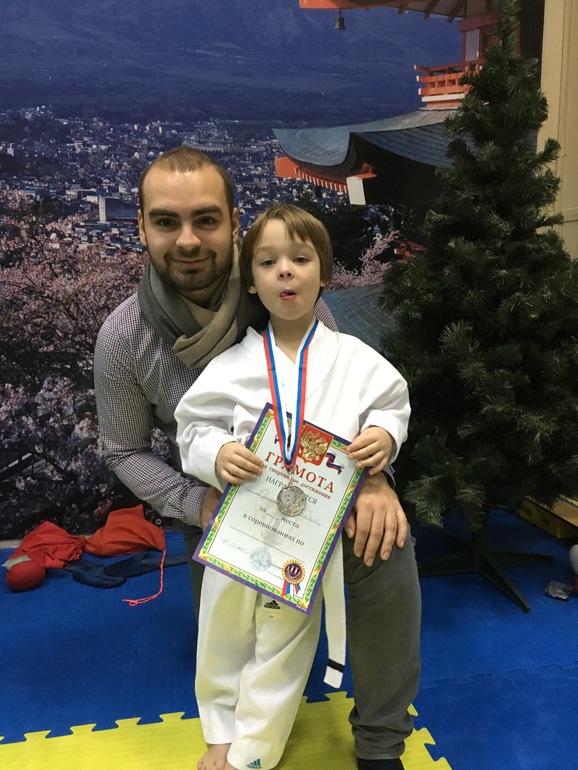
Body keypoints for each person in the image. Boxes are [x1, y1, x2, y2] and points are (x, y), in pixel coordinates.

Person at [93, 146, 421, 770]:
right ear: (141, 227)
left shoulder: (290, 297)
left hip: (321, 492)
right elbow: (125, 451)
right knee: (234, 622)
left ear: (233, 224)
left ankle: (381, 740)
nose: (188, 240)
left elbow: (356, 398)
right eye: (166, 221)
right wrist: (200, 500)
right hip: (225, 501)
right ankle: (237, 735)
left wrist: (376, 478)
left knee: (386, 542)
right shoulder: (124, 337)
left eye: (206, 219)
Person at [175, 203, 412, 770]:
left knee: (283, 641)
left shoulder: (355, 359)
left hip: (312, 532)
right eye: (268, 262)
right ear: (250, 282)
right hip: (245, 520)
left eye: (300, 259)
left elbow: (392, 404)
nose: (285, 270)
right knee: (223, 629)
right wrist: (217, 454)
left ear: (324, 273)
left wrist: (384, 436)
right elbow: (192, 428)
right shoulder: (232, 365)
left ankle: (253, 750)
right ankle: (220, 730)